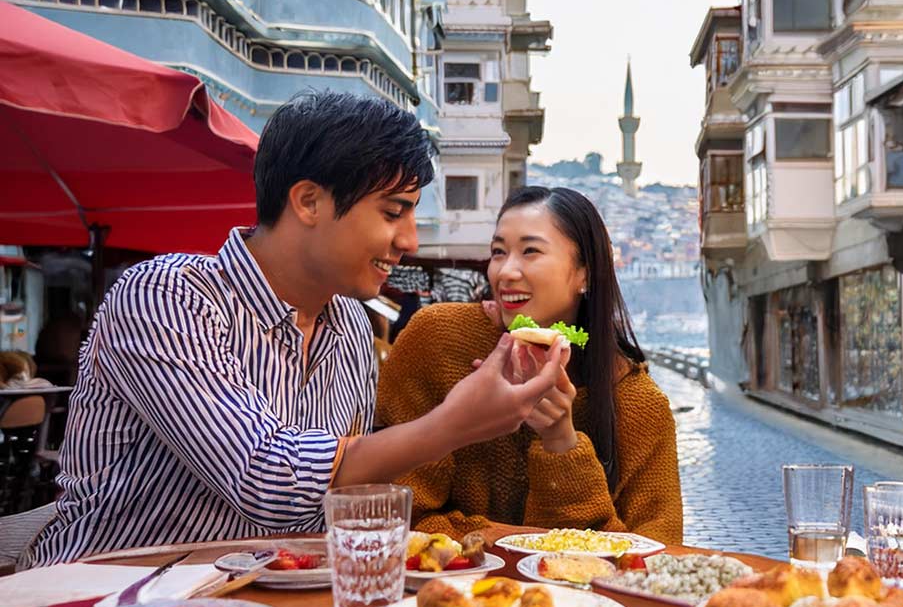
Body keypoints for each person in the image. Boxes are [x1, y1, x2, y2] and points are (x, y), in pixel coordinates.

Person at [23, 91, 562, 567]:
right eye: (394, 211)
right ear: (308, 201)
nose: (409, 241)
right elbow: (266, 479)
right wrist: (453, 424)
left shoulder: (350, 322)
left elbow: (347, 489)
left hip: (269, 601)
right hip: (107, 596)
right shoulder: (165, 296)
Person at [376, 186, 683, 543]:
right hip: (444, 592)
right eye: (498, 252)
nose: (505, 272)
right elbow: (394, 512)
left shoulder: (640, 407)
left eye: (530, 251)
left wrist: (561, 443)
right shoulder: (438, 340)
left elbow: (649, 559)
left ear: (585, 272)